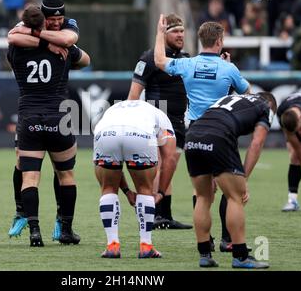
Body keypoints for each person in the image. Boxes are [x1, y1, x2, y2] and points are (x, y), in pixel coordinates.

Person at [154, 17, 251, 252]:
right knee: (230, 190)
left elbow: (158, 61)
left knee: (203, 193)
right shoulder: (229, 68)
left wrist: (159, 32)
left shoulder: (187, 64)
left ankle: (204, 245)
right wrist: (226, 73)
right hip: (222, 130)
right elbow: (248, 95)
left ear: (201, 41)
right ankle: (228, 241)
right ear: (219, 41)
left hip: (195, 131)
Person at [7, 4, 90, 247]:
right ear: (44, 22)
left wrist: (37, 40)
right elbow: (85, 60)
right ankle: (65, 229)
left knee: (29, 176)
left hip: (29, 117)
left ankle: (34, 231)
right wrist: (60, 48)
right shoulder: (64, 48)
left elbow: (12, 41)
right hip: (59, 116)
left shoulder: (14, 49)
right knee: (66, 174)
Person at [185, 92, 276, 268]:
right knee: (236, 197)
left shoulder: (231, 99)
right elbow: (256, 144)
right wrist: (243, 178)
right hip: (218, 136)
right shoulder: (265, 107)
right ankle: (241, 257)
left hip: (194, 135)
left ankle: (205, 254)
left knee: (203, 197)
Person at [127, 13, 192, 230]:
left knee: (169, 167)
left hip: (178, 120)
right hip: (157, 117)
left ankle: (165, 216)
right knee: (159, 166)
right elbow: (133, 95)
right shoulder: (148, 58)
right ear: (163, 33)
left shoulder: (186, 59)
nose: (180, 35)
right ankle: (151, 214)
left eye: (182, 31)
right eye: (175, 31)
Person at [93, 100, 178, 258]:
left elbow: (116, 164)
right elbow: (170, 159)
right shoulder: (160, 115)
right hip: (140, 134)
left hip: (106, 133)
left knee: (108, 188)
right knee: (145, 189)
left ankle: (112, 246)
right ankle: (146, 246)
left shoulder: (114, 108)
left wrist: (126, 191)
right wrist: (160, 192)